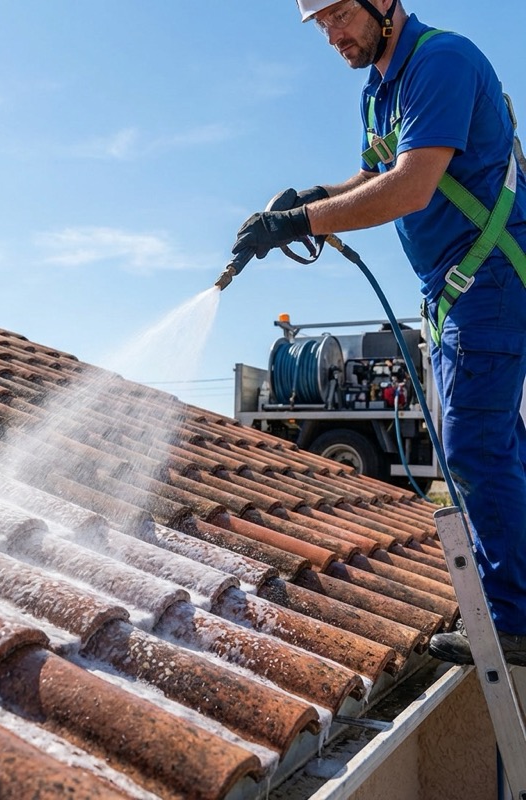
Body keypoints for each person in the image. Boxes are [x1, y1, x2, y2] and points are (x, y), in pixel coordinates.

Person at [224, 0, 526, 665]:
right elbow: (374, 175)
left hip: (489, 276)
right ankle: (514, 598)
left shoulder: (440, 61)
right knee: (494, 446)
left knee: (473, 446)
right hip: (460, 290)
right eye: (323, 24)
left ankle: (516, 621)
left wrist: (298, 227)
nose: (333, 34)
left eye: (340, 16)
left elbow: (412, 187)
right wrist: (307, 200)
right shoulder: (380, 92)